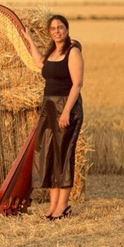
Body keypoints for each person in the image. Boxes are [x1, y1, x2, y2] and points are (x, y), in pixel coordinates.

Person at [23, 15, 85, 220]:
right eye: (53, 28)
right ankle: (53, 205)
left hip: (66, 106)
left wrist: (66, 111)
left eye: (60, 27)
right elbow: (40, 62)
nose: (56, 31)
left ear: (67, 29)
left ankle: (63, 205)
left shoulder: (73, 51)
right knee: (49, 154)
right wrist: (29, 39)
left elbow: (77, 84)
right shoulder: (52, 52)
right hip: (49, 107)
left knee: (63, 155)